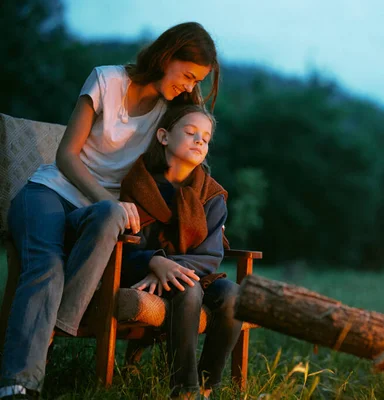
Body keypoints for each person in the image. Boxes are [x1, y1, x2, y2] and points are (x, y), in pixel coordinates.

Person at [1, 22, 220, 399]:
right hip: (49, 194)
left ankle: (56, 328)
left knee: (111, 216)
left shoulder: (171, 111)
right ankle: (19, 385)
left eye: (195, 80)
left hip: (103, 216)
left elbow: (194, 141)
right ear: (167, 56)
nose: (188, 85)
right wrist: (106, 198)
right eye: (186, 75)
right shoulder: (106, 81)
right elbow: (66, 155)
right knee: (47, 265)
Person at [119, 104, 241, 400]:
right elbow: (123, 245)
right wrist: (153, 261)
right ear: (163, 136)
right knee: (189, 290)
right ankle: (184, 390)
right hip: (140, 274)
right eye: (190, 132)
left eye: (206, 137)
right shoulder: (138, 184)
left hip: (195, 272)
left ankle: (208, 383)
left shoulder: (211, 195)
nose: (200, 140)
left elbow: (210, 254)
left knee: (235, 295)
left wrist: (169, 266)